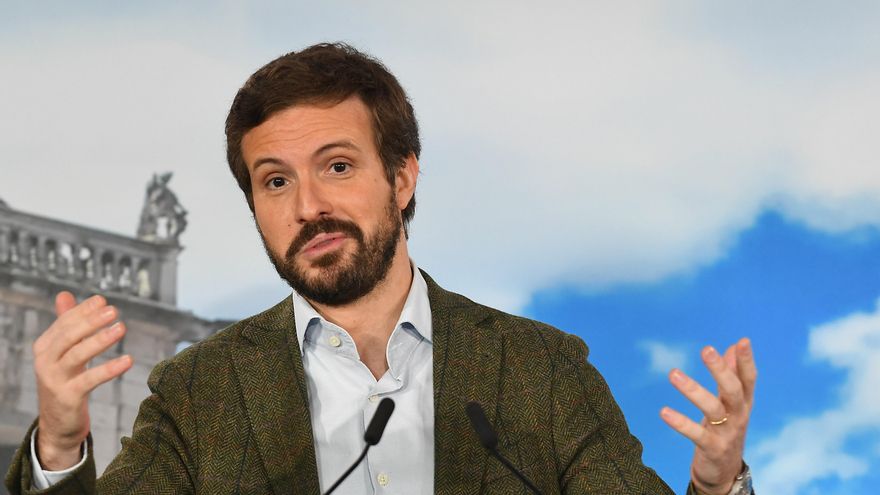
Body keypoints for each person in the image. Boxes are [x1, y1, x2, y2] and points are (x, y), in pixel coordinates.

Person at [5, 43, 757, 494]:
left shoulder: (541, 370)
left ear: (402, 178)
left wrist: (717, 484)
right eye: (274, 180)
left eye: (336, 165)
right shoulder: (197, 392)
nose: (307, 205)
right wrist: (61, 448)